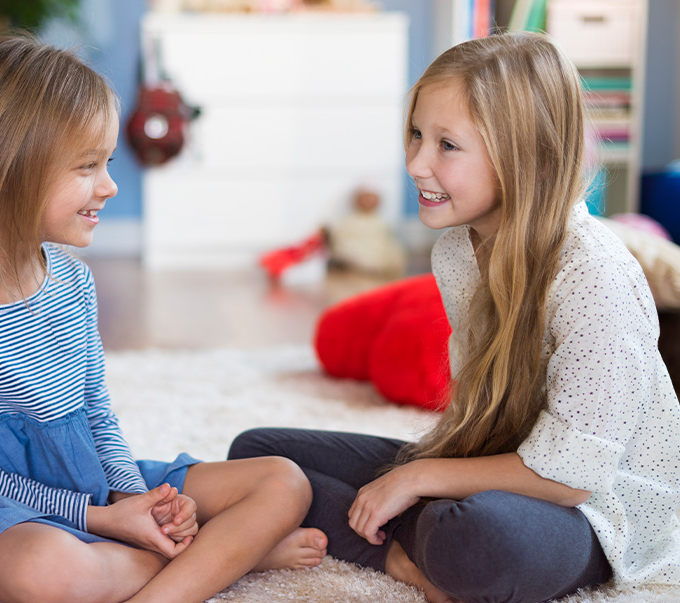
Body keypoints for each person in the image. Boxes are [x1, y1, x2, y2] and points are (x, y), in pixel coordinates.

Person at [230, 31, 680, 603]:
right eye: (417, 134)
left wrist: (416, 479)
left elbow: (571, 477)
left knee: (474, 536)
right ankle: (421, 549)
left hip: (595, 514)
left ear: (529, 156)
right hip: (493, 470)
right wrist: (425, 475)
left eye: (447, 145)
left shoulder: (595, 273)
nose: (416, 162)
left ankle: (407, 551)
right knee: (258, 457)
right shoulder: (458, 250)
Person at [0, 34, 327, 603]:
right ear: (5, 169)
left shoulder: (73, 281)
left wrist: (132, 500)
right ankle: (233, 555)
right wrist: (101, 520)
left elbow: (96, 412)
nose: (110, 186)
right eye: (88, 166)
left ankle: (185, 567)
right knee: (50, 574)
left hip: (85, 481)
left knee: (283, 479)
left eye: (106, 162)